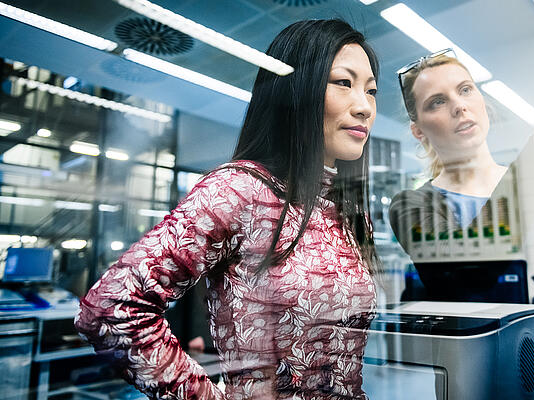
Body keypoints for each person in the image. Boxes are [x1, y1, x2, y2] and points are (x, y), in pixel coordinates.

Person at [75, 19, 381, 400]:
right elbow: (112, 309)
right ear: (296, 90)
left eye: (371, 90)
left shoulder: (348, 209)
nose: (365, 106)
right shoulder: (239, 190)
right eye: (343, 82)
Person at [388, 49, 509, 252]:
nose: (459, 106)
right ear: (418, 131)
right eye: (438, 102)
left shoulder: (531, 181)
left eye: (465, 90)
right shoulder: (412, 206)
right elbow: (463, 269)